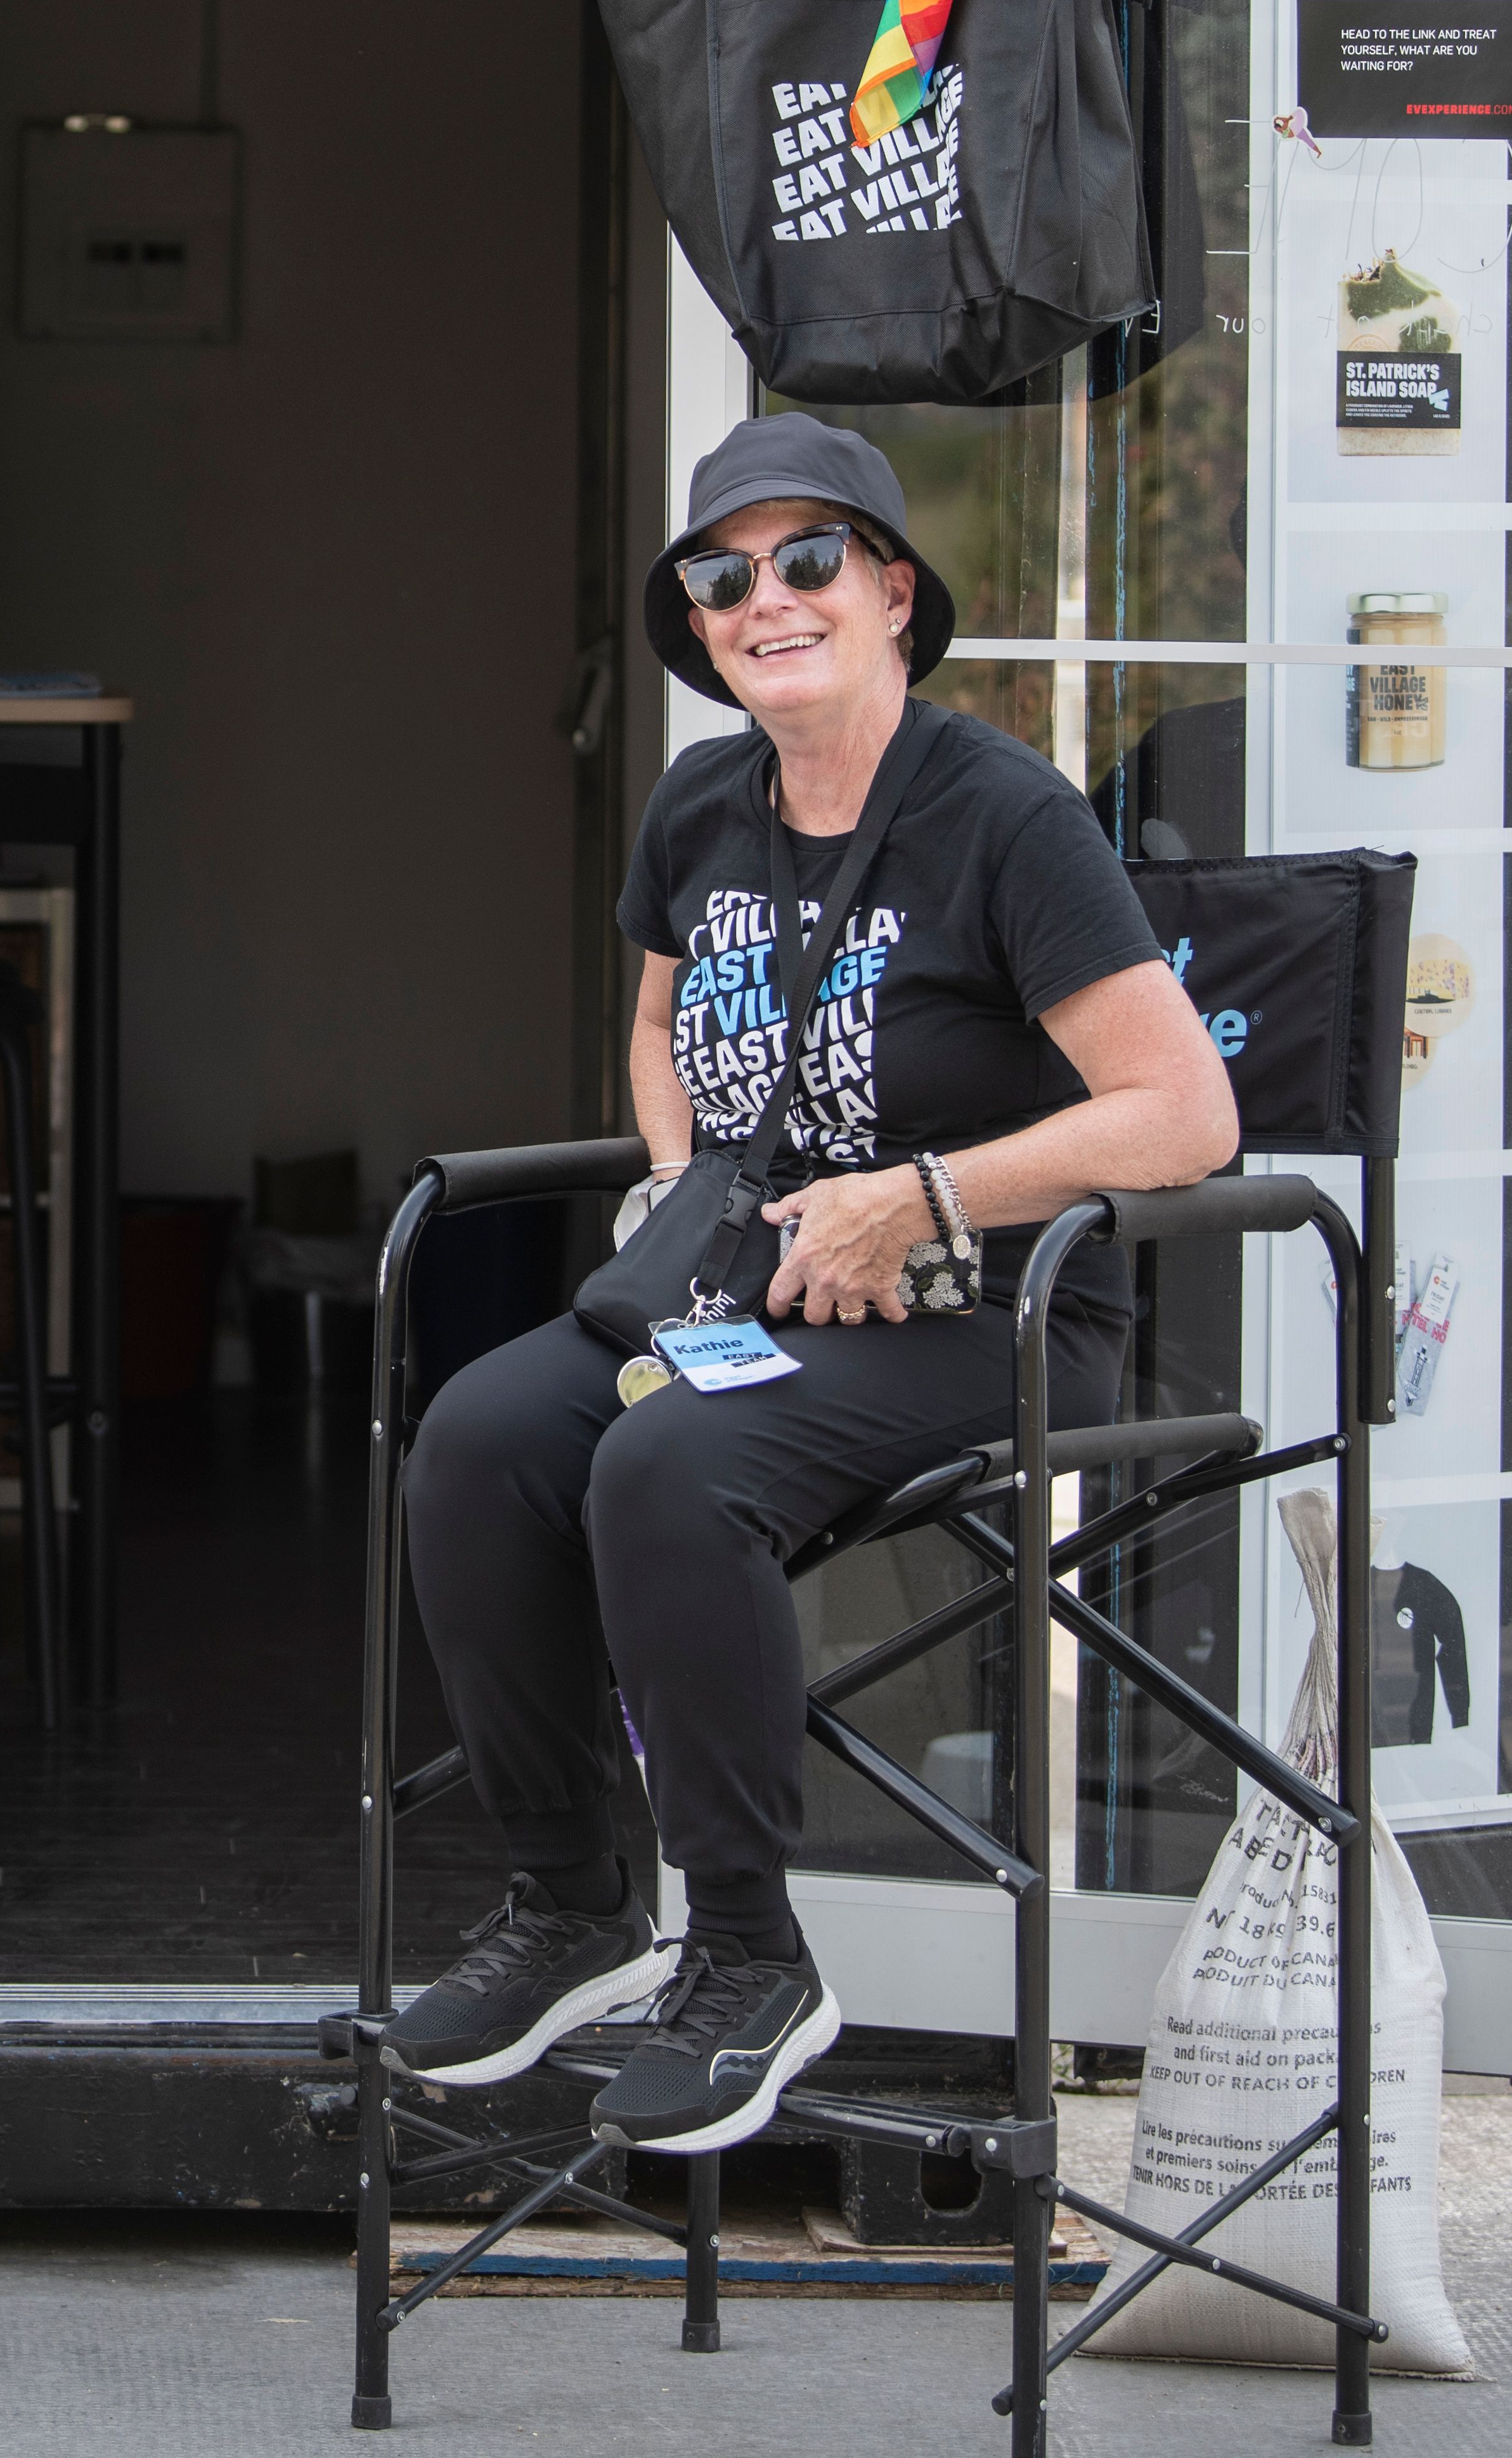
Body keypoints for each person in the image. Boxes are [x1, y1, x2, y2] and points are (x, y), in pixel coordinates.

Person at [390, 414, 1239, 2155]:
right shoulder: (702, 802)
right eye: (720, 575)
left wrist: (918, 1196)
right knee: (477, 1437)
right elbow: (654, 1021)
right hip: (759, 1298)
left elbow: (1185, 1116)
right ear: (697, 625)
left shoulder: (1004, 819)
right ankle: (572, 1906)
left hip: (987, 1322)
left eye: (806, 560)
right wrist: (681, 1184)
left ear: (892, 591)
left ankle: (750, 1956)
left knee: (666, 1461)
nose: (761, 596)